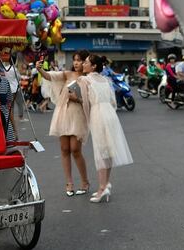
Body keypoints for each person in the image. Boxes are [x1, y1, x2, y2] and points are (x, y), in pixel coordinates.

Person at [73, 54, 133, 203]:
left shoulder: (84, 80)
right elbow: (113, 102)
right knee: (109, 150)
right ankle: (105, 184)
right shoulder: (106, 80)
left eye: (86, 62)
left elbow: (86, 103)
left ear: (93, 66)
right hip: (110, 114)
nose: (83, 64)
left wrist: (88, 119)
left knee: (100, 152)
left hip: (98, 113)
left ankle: (101, 188)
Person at [37, 50, 91, 197]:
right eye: (75, 60)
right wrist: (39, 69)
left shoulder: (88, 78)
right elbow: (49, 76)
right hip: (63, 113)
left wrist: (77, 99)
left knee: (75, 149)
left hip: (78, 114)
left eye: (80, 60)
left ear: (86, 61)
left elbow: (91, 101)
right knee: (64, 149)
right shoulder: (67, 74)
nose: (76, 63)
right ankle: (69, 183)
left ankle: (85, 182)